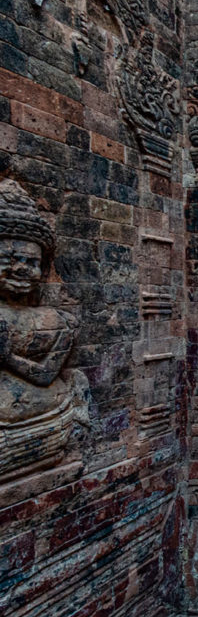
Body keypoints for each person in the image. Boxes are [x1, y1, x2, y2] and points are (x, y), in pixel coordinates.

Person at [0, 177, 88, 478]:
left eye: (31, 261)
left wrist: (8, 358)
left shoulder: (58, 320)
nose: (21, 268)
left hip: (46, 418)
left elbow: (48, 374)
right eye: (7, 258)